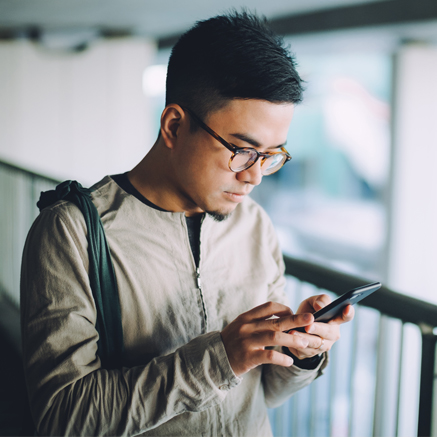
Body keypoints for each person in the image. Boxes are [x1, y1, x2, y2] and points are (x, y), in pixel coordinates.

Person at [20, 11, 354, 436]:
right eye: (241, 150)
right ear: (174, 125)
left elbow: (260, 394)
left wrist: (300, 351)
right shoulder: (72, 233)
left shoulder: (254, 225)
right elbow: (62, 419)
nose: (253, 175)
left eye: (271, 155)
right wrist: (220, 359)